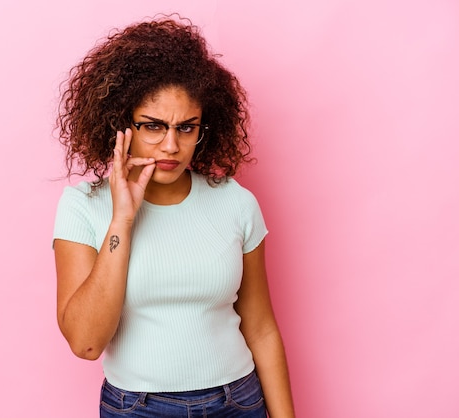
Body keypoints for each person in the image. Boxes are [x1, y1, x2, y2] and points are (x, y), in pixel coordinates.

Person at [53, 15, 295, 418]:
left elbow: (261, 327)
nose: (171, 145)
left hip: (238, 402)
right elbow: (86, 343)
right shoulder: (83, 207)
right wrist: (122, 220)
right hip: (137, 409)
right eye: (153, 126)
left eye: (187, 128)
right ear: (120, 124)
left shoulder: (235, 203)